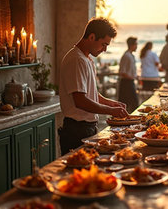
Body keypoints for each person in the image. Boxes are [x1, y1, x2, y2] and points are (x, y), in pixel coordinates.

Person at [59, 17, 129, 154]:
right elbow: (80, 101)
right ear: (91, 37)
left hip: (87, 128)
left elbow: (92, 94)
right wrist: (110, 111)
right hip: (76, 130)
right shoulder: (76, 60)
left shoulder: (87, 59)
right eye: (104, 44)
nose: (104, 49)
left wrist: (112, 104)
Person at [118, 37, 139, 112]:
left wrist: (135, 77)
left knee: (132, 104)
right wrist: (132, 77)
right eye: (136, 44)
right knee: (130, 104)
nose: (137, 46)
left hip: (130, 82)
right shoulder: (126, 56)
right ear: (131, 45)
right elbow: (122, 72)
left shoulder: (131, 55)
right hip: (126, 83)